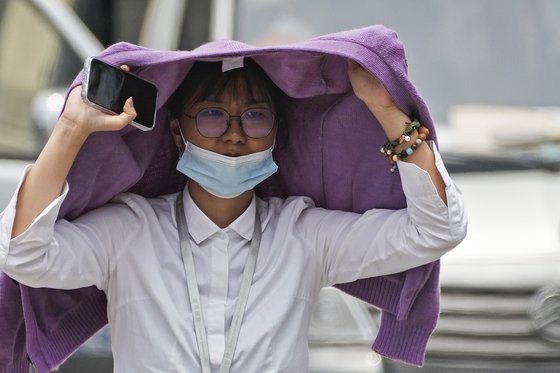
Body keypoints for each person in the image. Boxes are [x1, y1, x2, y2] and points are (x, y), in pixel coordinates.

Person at [1, 52, 466, 371]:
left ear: (277, 134)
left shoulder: (302, 232)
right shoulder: (130, 230)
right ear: (177, 134)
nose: (234, 133)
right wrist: (72, 127)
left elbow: (435, 230)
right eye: (211, 114)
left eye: (255, 116)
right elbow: (25, 256)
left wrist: (385, 109)